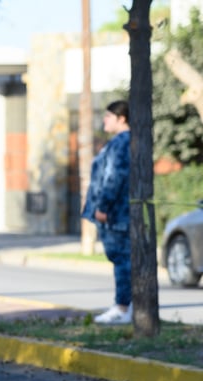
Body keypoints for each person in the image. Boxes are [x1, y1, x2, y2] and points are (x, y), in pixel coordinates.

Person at [82, 100, 132, 325]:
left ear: (122, 118)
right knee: (121, 259)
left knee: (122, 259)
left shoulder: (122, 142)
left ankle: (123, 307)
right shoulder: (121, 142)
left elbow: (114, 176)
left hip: (115, 214)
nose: (104, 120)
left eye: (108, 116)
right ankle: (124, 306)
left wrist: (103, 207)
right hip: (117, 212)